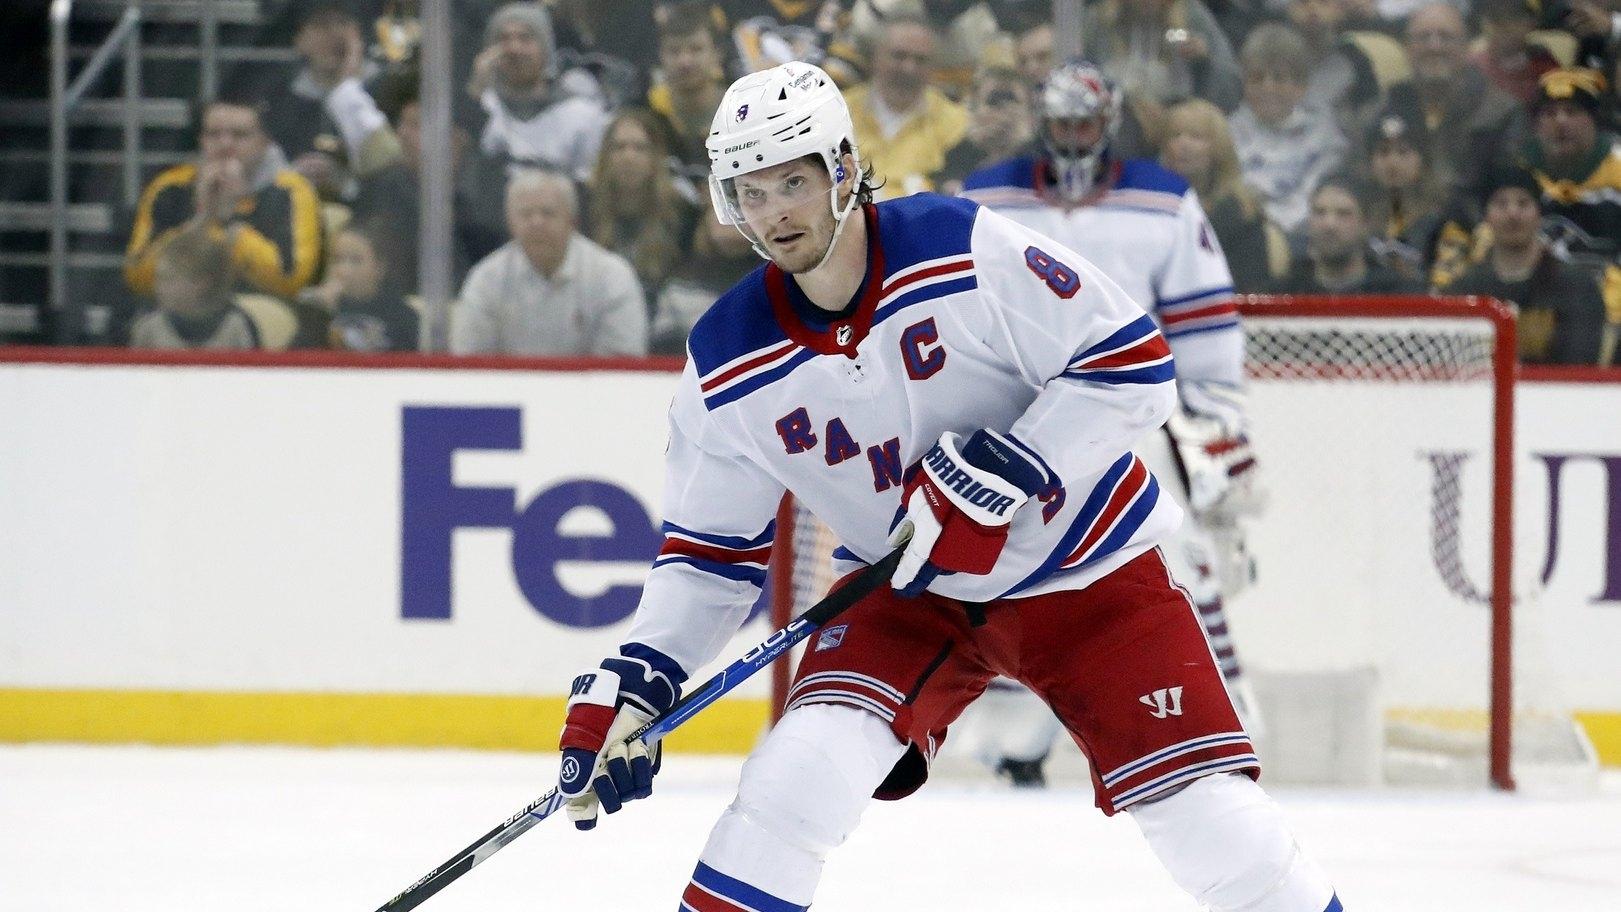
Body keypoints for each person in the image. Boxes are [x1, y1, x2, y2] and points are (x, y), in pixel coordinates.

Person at [554, 60, 1344, 912]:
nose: (773, 210)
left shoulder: (957, 242)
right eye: (749, 190)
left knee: (1210, 826)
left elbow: (1133, 364)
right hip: (906, 590)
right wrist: (640, 675)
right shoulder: (725, 359)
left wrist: (1011, 468)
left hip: (1086, 569)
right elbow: (709, 554)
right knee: (790, 784)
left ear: (844, 170)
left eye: (792, 180)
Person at [959, 60, 1266, 785]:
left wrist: (1215, 423)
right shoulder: (983, 196)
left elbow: (1204, 326)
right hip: (1025, 426)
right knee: (1020, 576)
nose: (1071, 139)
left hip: (1134, 422)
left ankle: (1217, 722)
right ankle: (1018, 742)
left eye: (1084, 125)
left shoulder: (1164, 202)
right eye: (1060, 124)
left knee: (1178, 560)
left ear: (1110, 123)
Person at [125, 90, 325, 301]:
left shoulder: (291, 189)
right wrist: (202, 221)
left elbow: (291, 280)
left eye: (240, 135)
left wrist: (231, 222)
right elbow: (138, 277)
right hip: (180, 306)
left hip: (261, 306)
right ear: (201, 140)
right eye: (213, 134)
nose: (225, 145)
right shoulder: (170, 186)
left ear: (265, 142)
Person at [451, 168, 647, 356]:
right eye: (526, 214)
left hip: (591, 389)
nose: (537, 223)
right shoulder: (486, 280)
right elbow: (469, 362)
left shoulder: (613, 276)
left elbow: (622, 364)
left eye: (548, 213)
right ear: (510, 222)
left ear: (572, 221)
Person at [1451, 162, 1609, 364]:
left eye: (1523, 203)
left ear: (1539, 214)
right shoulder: (1465, 291)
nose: (1513, 214)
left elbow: (1579, 364)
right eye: (1501, 204)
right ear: (1486, 217)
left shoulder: (1577, 287)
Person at [1383, 3, 1524, 195]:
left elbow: (1509, 193)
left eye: (1446, 37)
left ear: (1466, 47)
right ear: (1407, 48)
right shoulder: (1382, 110)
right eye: (1423, 37)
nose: (1434, 47)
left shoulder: (1501, 114)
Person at [1228, 22, 1348, 237]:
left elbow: (1311, 199)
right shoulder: (1227, 133)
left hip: (1300, 239)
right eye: (1257, 78)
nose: (1268, 87)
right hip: (1239, 233)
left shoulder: (1325, 138)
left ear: (1301, 87)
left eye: (1279, 78)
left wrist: (1273, 229)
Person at [1161, 97, 1286, 292]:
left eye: (1195, 136)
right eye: (1175, 135)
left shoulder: (1242, 214)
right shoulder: (1152, 205)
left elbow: (1249, 286)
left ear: (1219, 147)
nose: (1183, 144)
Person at [841, 14, 968, 200]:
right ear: (875, 56)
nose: (909, 68)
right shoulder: (840, 111)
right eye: (899, 56)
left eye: (920, 60)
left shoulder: (957, 122)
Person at [585, 109, 700, 310]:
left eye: (640, 148)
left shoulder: (683, 211)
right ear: (605, 156)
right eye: (619, 147)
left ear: (656, 157)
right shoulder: (584, 205)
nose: (628, 157)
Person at [1271, 174, 1424, 293]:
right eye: (1319, 212)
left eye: (1343, 214)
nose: (1329, 224)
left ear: (1366, 223)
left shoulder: (1395, 293)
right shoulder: (1284, 294)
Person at [1080, 0, 1244, 111]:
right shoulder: (1100, 20)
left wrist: (1205, 62)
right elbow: (1078, 81)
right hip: (1116, 120)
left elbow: (1232, 92)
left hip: (1180, 121)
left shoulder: (1192, 16)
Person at [129, 227, 264, 350]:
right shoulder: (149, 326)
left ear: (201, 283)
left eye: (168, 279)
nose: (158, 287)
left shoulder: (237, 326)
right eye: (158, 278)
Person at [305, 220, 421, 353]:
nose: (343, 270)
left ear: (379, 267)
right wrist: (319, 312)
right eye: (337, 259)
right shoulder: (312, 305)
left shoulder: (403, 317)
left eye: (355, 260)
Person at [935, 66, 1035, 196]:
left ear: (1030, 112)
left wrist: (1024, 144)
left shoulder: (1044, 158)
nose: (1004, 111)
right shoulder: (955, 158)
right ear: (974, 109)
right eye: (994, 100)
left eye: (1011, 100)